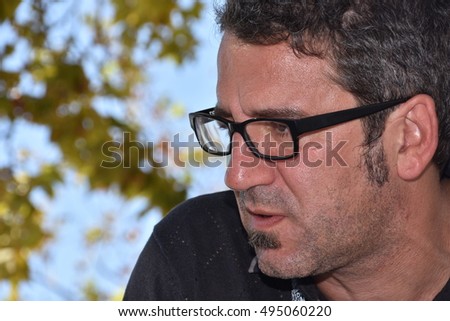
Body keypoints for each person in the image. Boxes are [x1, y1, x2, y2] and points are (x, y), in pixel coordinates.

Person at [124, 0, 450, 300]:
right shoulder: (198, 265)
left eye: (280, 130)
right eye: (229, 127)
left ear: (409, 138)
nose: (236, 176)